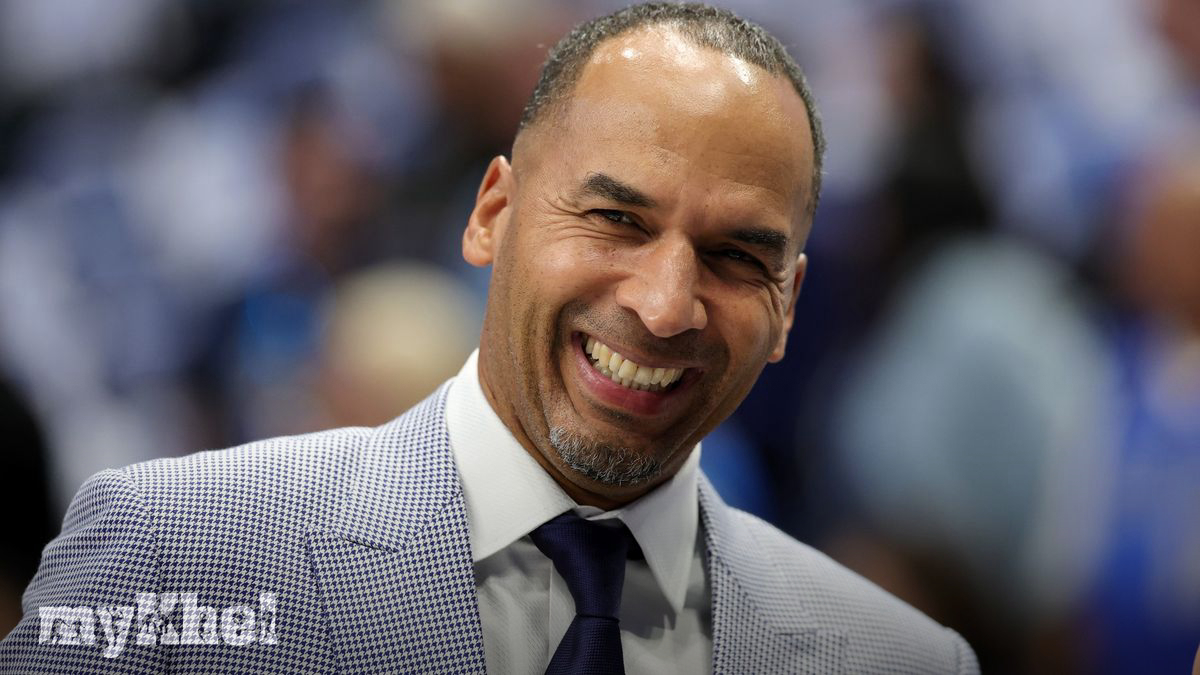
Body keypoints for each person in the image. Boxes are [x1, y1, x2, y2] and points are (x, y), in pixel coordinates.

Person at [0, 3, 978, 673]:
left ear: (788, 307)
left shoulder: (900, 661)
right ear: (492, 216)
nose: (664, 305)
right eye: (616, 219)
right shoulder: (173, 551)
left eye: (734, 256)